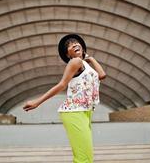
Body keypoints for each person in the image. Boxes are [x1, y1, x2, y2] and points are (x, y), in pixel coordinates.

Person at [23, 34, 106, 163]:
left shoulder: (85, 64)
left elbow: (101, 75)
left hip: (86, 112)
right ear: (68, 54)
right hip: (74, 112)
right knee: (83, 158)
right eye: (69, 45)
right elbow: (62, 84)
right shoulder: (75, 62)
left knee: (86, 157)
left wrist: (90, 58)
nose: (74, 44)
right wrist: (37, 102)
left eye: (76, 42)